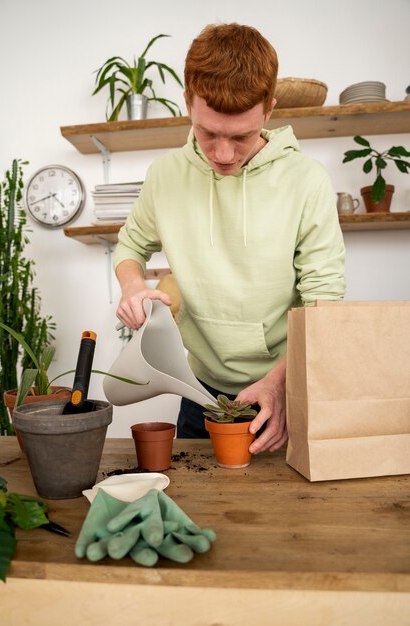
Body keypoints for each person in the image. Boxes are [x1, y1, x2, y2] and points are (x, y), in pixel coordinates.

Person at [114, 23, 345, 455]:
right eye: (209, 133)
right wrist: (132, 288)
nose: (223, 155)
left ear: (269, 111)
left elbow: (324, 302)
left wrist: (280, 384)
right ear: (188, 103)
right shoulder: (164, 177)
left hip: (284, 385)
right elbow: (130, 247)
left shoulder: (307, 180)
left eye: (241, 136)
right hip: (198, 388)